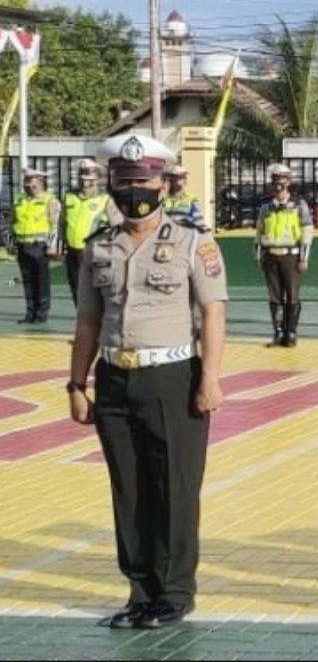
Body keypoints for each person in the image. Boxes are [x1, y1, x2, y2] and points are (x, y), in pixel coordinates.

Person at [67, 133, 227, 630]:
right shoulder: (99, 248)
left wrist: (211, 377)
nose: (135, 189)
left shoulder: (191, 242)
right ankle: (140, 589)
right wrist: (77, 384)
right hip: (115, 377)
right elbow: (88, 323)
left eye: (144, 180)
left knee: (174, 488)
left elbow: (213, 312)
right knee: (129, 490)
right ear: (112, 183)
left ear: (165, 183)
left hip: (173, 377)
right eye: (125, 180)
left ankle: (175, 592)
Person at [254, 164, 312, 347]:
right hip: (270, 255)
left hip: (291, 256)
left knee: (292, 295)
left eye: (282, 179)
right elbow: (259, 233)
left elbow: (307, 233)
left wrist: (304, 257)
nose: (278, 183)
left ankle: (291, 331)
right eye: (275, 179)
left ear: (289, 181)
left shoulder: (298, 205)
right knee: (275, 296)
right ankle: (278, 332)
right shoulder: (266, 208)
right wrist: (258, 256)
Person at [62, 159, 122, 305]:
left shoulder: (104, 199)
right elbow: (61, 223)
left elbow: (118, 226)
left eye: (89, 180)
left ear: (97, 180)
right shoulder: (69, 197)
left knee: (95, 287)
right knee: (75, 286)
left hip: (93, 251)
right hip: (72, 250)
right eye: (82, 180)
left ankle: (98, 319)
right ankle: (81, 317)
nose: (85, 184)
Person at [11, 168, 61, 324]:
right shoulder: (19, 200)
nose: (29, 188)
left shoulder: (49, 200)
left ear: (40, 183)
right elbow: (13, 223)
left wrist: (52, 245)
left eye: (33, 185)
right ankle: (30, 312)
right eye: (27, 185)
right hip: (22, 244)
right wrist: (11, 243)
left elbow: (55, 225)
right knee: (27, 280)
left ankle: (41, 313)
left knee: (41, 281)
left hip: (40, 246)